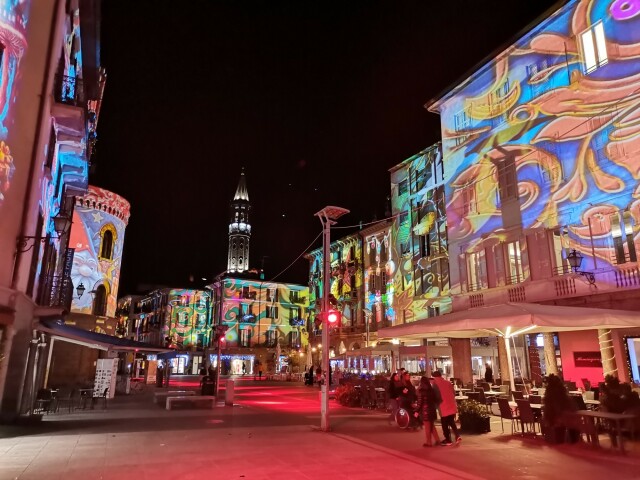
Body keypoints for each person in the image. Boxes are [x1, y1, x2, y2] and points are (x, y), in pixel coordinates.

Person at [432, 370, 461, 446]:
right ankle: (457, 435)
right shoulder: (448, 382)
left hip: (443, 406)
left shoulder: (435, 385)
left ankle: (448, 440)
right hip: (451, 404)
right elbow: (453, 393)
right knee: (451, 421)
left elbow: (435, 396)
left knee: (444, 423)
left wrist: (435, 405)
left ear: (434, 377)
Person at [415, 376, 441, 447]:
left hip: (425, 410)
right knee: (432, 426)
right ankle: (437, 440)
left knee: (427, 427)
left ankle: (429, 442)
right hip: (432, 410)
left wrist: (416, 411)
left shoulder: (421, 391)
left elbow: (420, 403)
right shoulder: (431, 390)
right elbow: (435, 399)